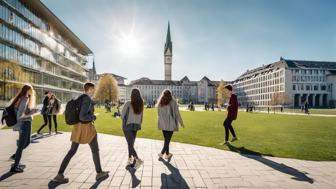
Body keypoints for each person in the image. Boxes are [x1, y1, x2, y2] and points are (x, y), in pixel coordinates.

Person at [52, 82, 109, 183]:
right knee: (95, 150)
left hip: (77, 128)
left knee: (72, 151)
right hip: (86, 128)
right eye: (93, 89)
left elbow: (80, 113)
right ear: (90, 89)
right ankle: (99, 172)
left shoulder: (81, 97)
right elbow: (82, 116)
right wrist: (93, 116)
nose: (94, 91)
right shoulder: (86, 99)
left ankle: (59, 174)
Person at [9, 84, 38, 173]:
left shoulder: (23, 98)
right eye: (31, 89)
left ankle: (16, 157)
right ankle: (15, 166)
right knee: (21, 145)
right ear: (27, 90)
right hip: (24, 124)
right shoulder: (24, 99)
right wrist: (31, 113)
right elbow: (20, 115)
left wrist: (30, 111)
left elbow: (23, 111)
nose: (32, 91)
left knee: (27, 142)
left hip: (26, 124)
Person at [157, 89, 184, 160]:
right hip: (170, 123)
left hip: (162, 123)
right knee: (167, 140)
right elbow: (177, 113)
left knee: (166, 140)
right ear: (170, 94)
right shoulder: (173, 102)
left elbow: (159, 114)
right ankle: (162, 153)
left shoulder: (160, 102)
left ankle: (167, 154)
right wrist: (181, 123)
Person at [121, 88, 144, 169]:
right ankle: (131, 161)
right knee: (131, 144)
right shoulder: (141, 104)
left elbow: (122, 114)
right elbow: (141, 117)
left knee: (130, 145)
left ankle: (137, 160)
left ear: (132, 95)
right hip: (136, 125)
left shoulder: (128, 103)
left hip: (127, 125)